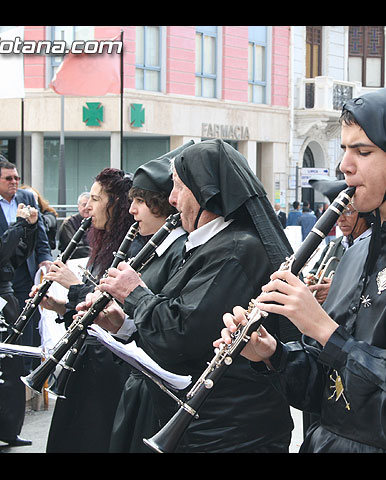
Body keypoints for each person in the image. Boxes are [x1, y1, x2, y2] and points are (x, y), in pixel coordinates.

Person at [219, 80, 386, 452]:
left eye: (362, 151)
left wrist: (326, 331)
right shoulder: (359, 248)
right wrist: (273, 355)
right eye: (345, 149)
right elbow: (328, 390)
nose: (344, 166)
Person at [97, 139, 297, 452]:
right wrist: (124, 324)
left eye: (178, 187)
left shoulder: (235, 250)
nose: (172, 200)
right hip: (210, 424)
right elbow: (184, 322)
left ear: (205, 191)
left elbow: (181, 336)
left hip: (229, 431)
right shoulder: (213, 245)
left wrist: (134, 293)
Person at [90, 148, 189, 453]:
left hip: (158, 393)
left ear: (161, 204)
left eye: (140, 202)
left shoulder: (180, 252)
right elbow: (143, 326)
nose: (131, 211)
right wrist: (118, 324)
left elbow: (169, 328)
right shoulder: (154, 248)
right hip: (142, 385)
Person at [34, 168, 135, 453]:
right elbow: (89, 309)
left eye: (95, 199)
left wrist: (74, 284)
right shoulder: (103, 244)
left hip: (108, 371)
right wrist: (58, 305)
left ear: (116, 204)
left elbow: (110, 310)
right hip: (89, 363)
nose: (87, 207)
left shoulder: (130, 248)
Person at [0, 194, 38, 452]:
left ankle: (8, 429)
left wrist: (31, 227)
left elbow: (15, 256)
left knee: (11, 371)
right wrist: (19, 225)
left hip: (5, 308)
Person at [0, 160, 53, 373]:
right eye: (8, 178)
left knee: (28, 321)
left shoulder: (27, 197)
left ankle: (28, 371)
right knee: (2, 321)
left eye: (16, 178)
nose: (14, 182)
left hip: (25, 269)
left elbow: (40, 231)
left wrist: (44, 257)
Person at [305, 178, 372, 305]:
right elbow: (315, 271)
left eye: (347, 211)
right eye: (338, 213)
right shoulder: (334, 245)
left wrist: (337, 290)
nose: (340, 219)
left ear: (364, 213)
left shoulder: (377, 245)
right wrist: (312, 282)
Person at [21, 185, 59, 251]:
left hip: (42, 251)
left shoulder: (49, 214)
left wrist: (35, 209)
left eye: (33, 199)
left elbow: (47, 222)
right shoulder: (19, 215)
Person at [57, 192, 91, 260]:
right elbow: (75, 249)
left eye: (90, 205)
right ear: (78, 206)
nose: (87, 208)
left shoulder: (98, 222)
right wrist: (96, 253)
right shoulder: (69, 223)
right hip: (72, 261)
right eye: (84, 205)